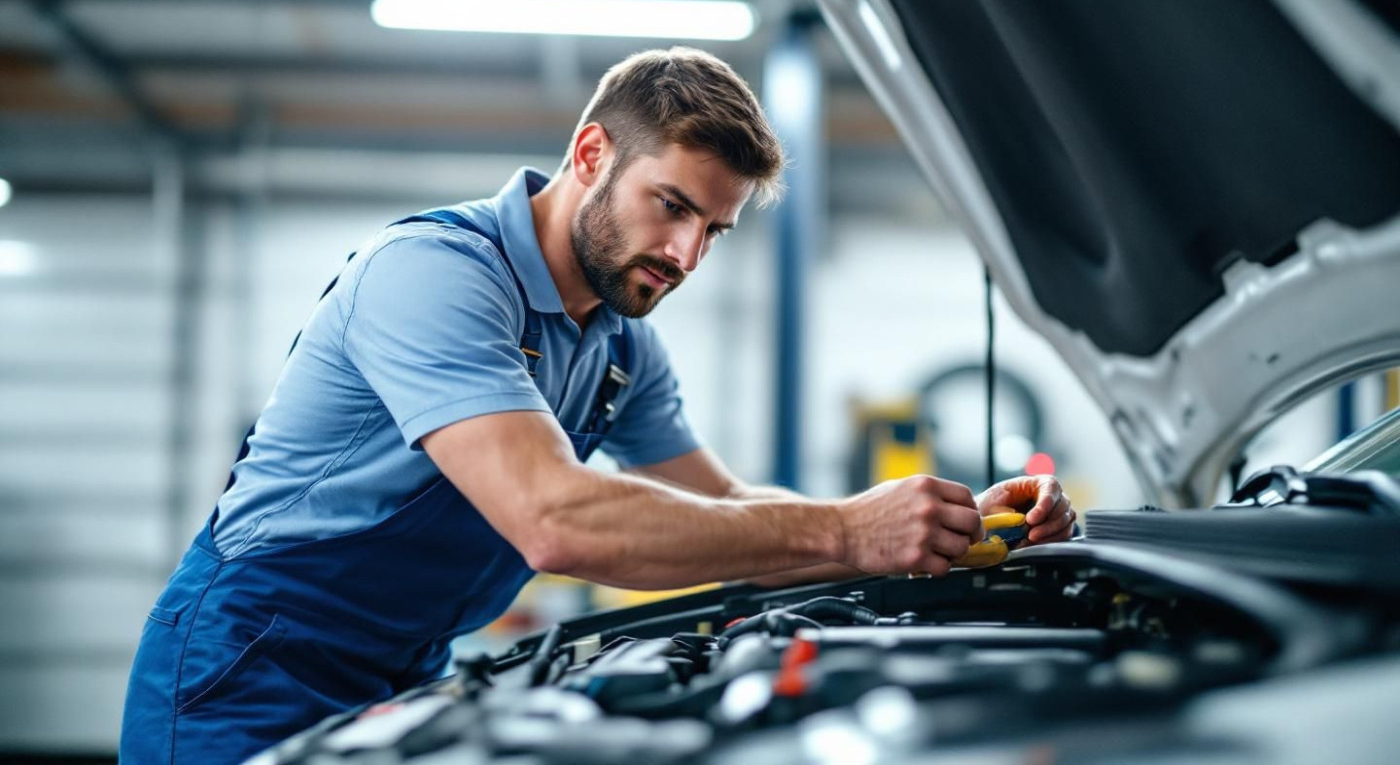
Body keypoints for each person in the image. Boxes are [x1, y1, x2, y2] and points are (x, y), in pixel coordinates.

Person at [120, 47, 1076, 764]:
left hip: (404, 668)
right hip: (249, 660)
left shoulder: (621, 345)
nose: (688, 255)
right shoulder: (437, 276)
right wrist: (846, 533)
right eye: (672, 206)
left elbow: (726, 505)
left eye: (715, 229)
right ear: (590, 153)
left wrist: (944, 526)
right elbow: (551, 520)